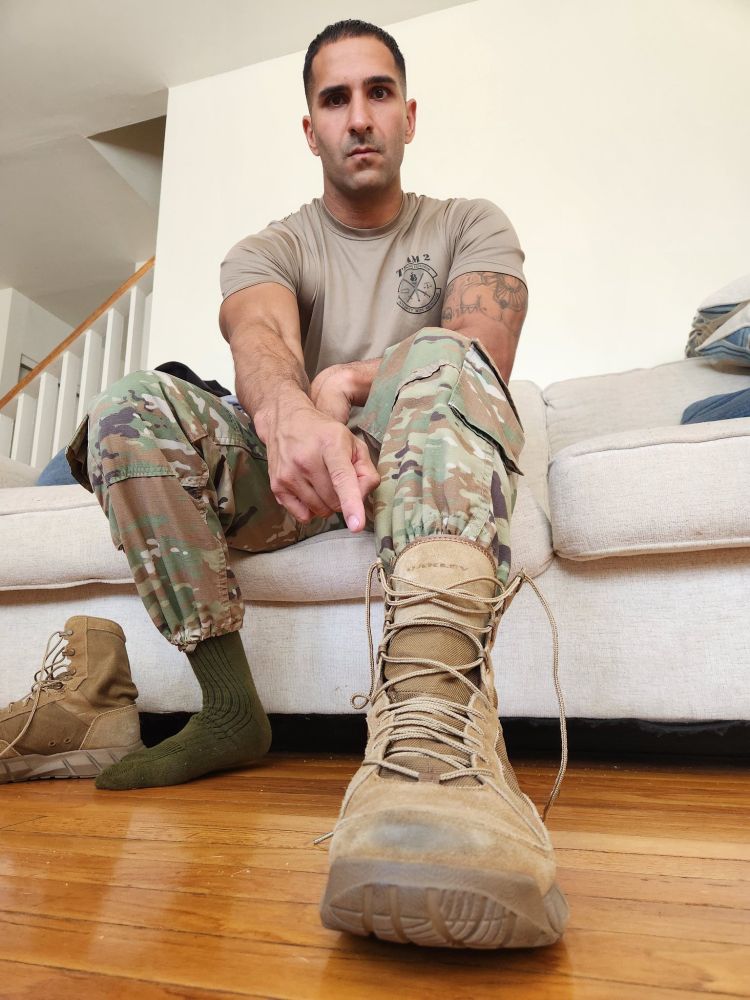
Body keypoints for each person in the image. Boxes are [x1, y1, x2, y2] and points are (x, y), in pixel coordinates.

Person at [64, 19, 568, 948]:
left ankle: (435, 738)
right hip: (297, 482)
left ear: (409, 116)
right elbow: (259, 341)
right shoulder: (271, 247)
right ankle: (228, 708)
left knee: (444, 359)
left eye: (379, 93)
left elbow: (480, 350)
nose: (359, 117)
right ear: (310, 129)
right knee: (128, 405)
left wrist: (347, 384)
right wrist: (296, 413)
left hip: (420, 464)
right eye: (335, 99)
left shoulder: (470, 224)